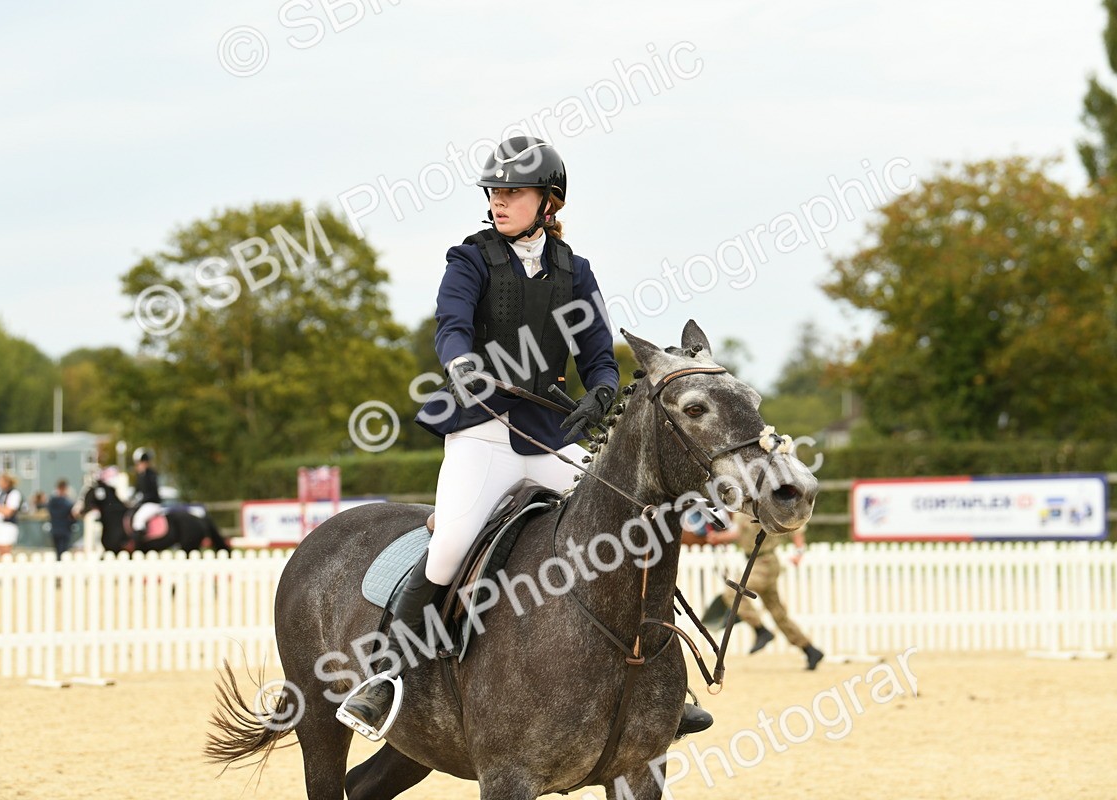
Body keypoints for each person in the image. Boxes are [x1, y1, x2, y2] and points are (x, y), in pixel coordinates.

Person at [341, 136, 711, 738]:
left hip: (545, 436)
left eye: (511, 190)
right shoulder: (470, 259)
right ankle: (383, 678)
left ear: (549, 201)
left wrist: (600, 388)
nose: (498, 200)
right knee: (452, 542)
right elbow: (451, 324)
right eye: (493, 191)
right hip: (481, 433)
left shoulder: (576, 271)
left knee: (633, 526)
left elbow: (598, 354)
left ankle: (666, 684)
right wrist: (459, 360)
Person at [706, 514, 824, 670]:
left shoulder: (766, 505)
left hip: (765, 563)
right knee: (778, 614)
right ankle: (810, 650)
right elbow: (740, 533)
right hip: (755, 562)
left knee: (732, 592)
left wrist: (799, 552)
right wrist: (719, 538)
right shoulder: (742, 510)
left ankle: (761, 630)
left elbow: (796, 528)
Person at [0, 472, 22, 557]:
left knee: (6, 548)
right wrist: (1, 508)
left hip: (8, 524)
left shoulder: (14, 493)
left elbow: (8, 512)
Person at [130, 447, 162, 534]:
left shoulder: (151, 475)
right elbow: (136, 491)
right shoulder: (140, 476)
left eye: (140, 463)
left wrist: (140, 499)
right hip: (144, 504)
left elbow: (151, 493)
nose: (138, 466)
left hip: (152, 504)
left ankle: (140, 543)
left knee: (138, 519)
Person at [46, 480, 77, 560]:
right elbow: (72, 515)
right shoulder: (67, 503)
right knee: (63, 551)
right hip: (64, 529)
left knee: (58, 551)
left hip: (56, 528)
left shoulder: (52, 501)